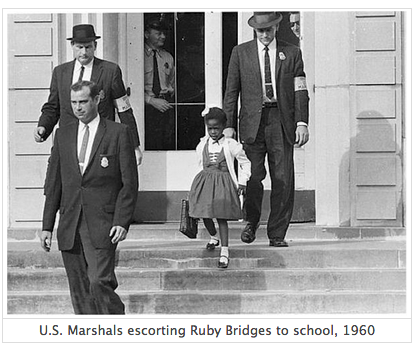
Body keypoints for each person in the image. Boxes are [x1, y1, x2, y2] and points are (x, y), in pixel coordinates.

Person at [40, 81, 138, 314]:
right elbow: (54, 184)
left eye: (83, 101)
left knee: (99, 281)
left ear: (97, 99)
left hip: (103, 224)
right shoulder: (62, 135)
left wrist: (121, 222)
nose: (78, 108)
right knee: (80, 292)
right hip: (70, 223)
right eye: (74, 103)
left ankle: (116, 328)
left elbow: (129, 184)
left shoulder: (118, 133)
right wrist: (47, 226)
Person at [223, 12, 309, 247]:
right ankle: (251, 222)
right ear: (254, 30)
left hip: (281, 121)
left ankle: (277, 233)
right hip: (252, 124)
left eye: (268, 30)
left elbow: (300, 91)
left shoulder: (292, 52)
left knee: (283, 178)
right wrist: (228, 126)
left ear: (276, 28)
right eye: (260, 31)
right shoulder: (240, 53)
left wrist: (302, 122)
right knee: (252, 176)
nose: (264, 35)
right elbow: (231, 93)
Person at [34, 24, 142, 165]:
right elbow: (53, 106)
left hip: (101, 142)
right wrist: (43, 126)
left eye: (88, 47)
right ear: (72, 45)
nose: (84, 52)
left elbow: (124, 110)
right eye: (79, 47)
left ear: (95, 46)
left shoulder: (110, 71)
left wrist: (134, 146)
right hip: (69, 141)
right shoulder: (60, 72)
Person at [188, 107, 251, 268]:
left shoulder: (231, 145)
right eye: (210, 129)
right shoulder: (203, 145)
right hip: (206, 182)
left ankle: (224, 251)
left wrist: (243, 181)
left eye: (216, 128)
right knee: (204, 213)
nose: (213, 132)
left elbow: (245, 163)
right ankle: (213, 236)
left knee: (221, 216)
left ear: (223, 127)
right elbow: (200, 163)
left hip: (223, 183)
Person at [144, 18, 175, 150]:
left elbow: (171, 83)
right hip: (146, 109)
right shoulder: (138, 56)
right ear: (146, 34)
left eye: (164, 33)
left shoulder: (167, 57)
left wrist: (169, 92)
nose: (163, 36)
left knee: (165, 145)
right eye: (158, 33)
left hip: (164, 108)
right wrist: (150, 100)